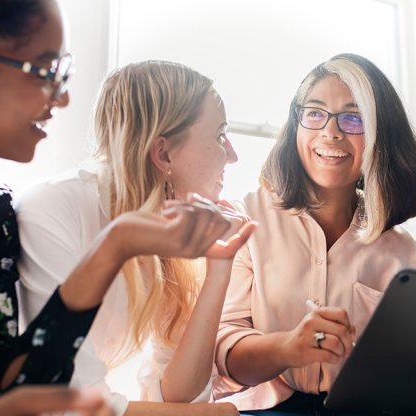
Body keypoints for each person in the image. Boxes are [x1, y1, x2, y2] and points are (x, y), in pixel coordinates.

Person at [0, 1, 234, 414]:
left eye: (65, 73)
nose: (63, 98)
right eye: (45, 72)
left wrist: (116, 244)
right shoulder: (37, 207)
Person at [17, 61, 254, 416]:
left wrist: (219, 268)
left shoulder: (168, 229)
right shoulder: (52, 210)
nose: (233, 155)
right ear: (163, 153)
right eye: (220, 136)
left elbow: (179, 394)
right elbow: (61, 401)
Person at [213, 53, 416, 415]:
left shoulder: (409, 257)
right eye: (314, 113)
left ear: (382, 136)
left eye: (353, 118)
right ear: (296, 124)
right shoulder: (247, 220)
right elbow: (224, 356)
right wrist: (287, 347)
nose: (330, 132)